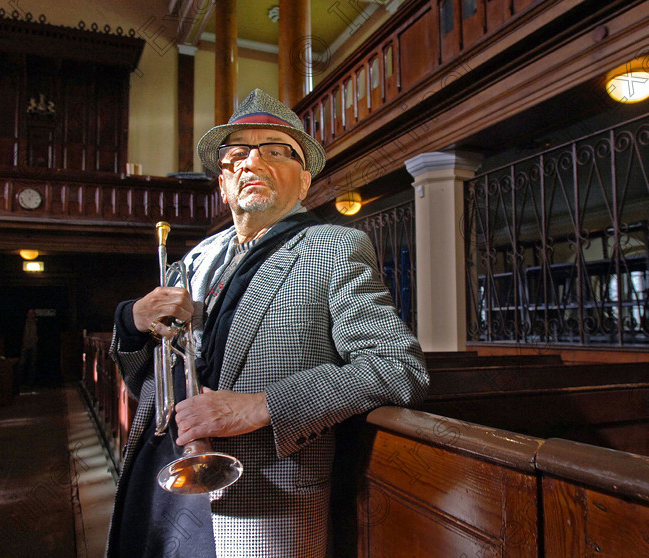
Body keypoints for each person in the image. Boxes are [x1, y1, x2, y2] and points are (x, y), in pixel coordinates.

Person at [106, 89, 428, 557]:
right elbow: (148, 381)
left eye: (276, 151)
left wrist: (261, 406)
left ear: (304, 182)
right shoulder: (193, 259)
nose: (252, 163)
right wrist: (133, 323)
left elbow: (399, 368)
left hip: (261, 502)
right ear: (223, 183)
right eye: (236, 154)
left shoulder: (334, 246)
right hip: (162, 480)